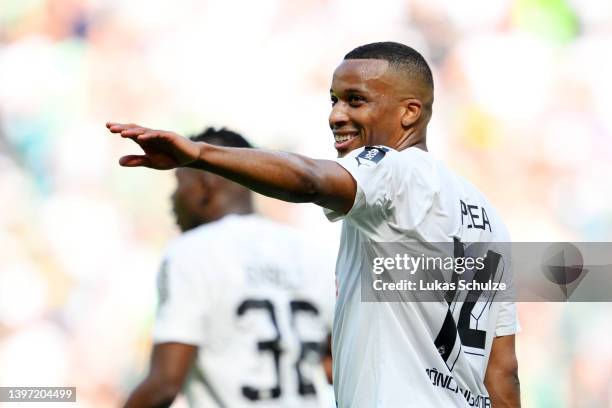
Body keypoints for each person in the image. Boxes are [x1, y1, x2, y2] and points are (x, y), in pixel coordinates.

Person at [108, 41, 520, 407]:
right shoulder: (486, 216)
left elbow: (310, 179)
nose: (336, 115)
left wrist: (198, 154)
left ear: (409, 112)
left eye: (355, 101)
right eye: (334, 100)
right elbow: (501, 373)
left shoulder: (392, 170)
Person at [123, 128, 335, 408]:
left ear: (207, 183)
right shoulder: (312, 251)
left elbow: (164, 385)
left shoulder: (190, 252)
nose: (172, 198)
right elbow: (335, 363)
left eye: (179, 182)